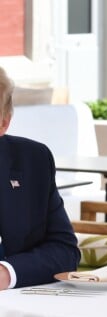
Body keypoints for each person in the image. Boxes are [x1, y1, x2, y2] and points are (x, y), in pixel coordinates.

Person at [0, 66, 80, 290]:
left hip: (18, 309)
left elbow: (65, 252)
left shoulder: (32, 160)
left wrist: (7, 273)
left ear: (4, 122)